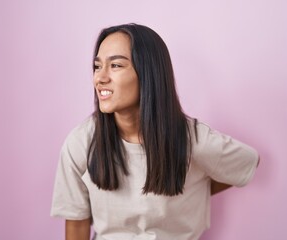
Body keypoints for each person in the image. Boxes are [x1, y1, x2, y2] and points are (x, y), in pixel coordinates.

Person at [50, 23, 260, 240]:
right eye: (97, 66)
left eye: (115, 66)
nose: (100, 78)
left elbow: (247, 161)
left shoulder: (192, 140)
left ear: (147, 73)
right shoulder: (81, 142)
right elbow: (76, 227)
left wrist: (194, 192)